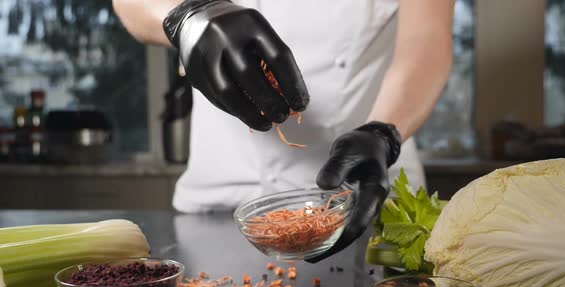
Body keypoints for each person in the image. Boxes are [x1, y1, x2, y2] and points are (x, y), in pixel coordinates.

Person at [113, 0, 455, 261]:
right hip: (220, 207)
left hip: (365, 194)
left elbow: (426, 37)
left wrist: (385, 132)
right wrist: (187, 15)